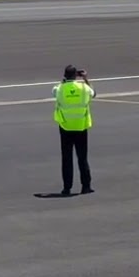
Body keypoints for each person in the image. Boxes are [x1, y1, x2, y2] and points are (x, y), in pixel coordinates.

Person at [53, 65, 96, 195]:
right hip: (81, 126)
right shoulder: (83, 88)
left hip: (65, 126)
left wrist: (64, 81)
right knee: (82, 158)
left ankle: (67, 188)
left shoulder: (60, 89)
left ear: (65, 75)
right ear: (76, 75)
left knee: (66, 158)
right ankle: (86, 186)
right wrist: (85, 78)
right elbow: (94, 94)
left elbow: (55, 91)